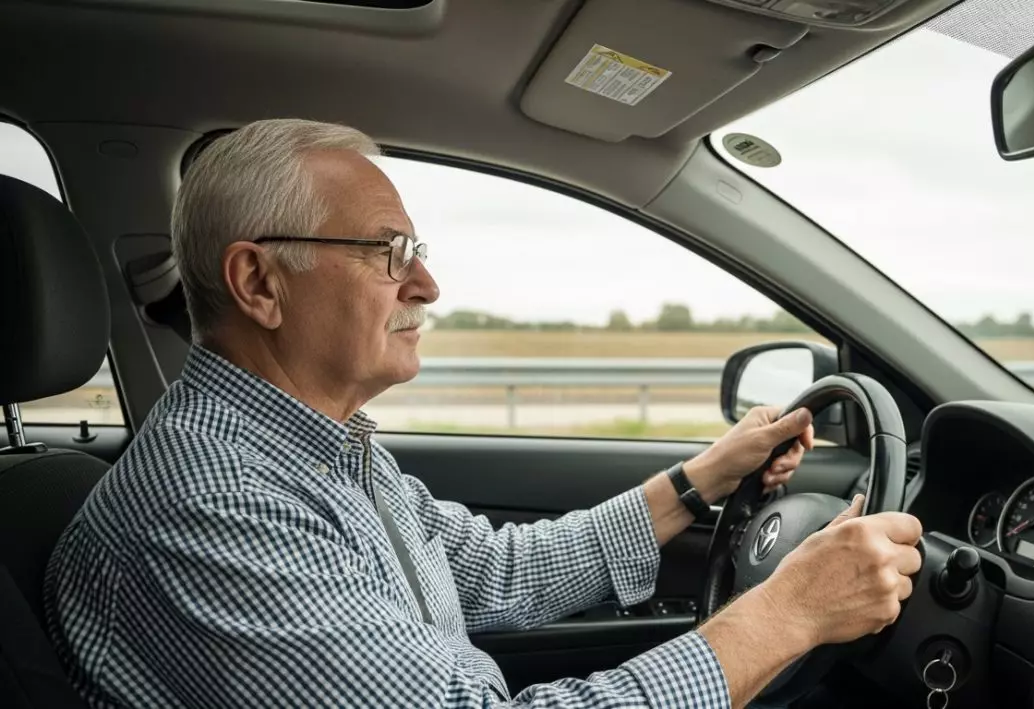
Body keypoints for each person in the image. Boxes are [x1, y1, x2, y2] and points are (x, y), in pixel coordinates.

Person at [45, 119, 924, 707]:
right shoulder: (213, 505)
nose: (426, 283)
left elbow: (498, 574)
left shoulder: (319, 452)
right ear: (260, 283)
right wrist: (787, 612)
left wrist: (697, 482)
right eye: (390, 252)